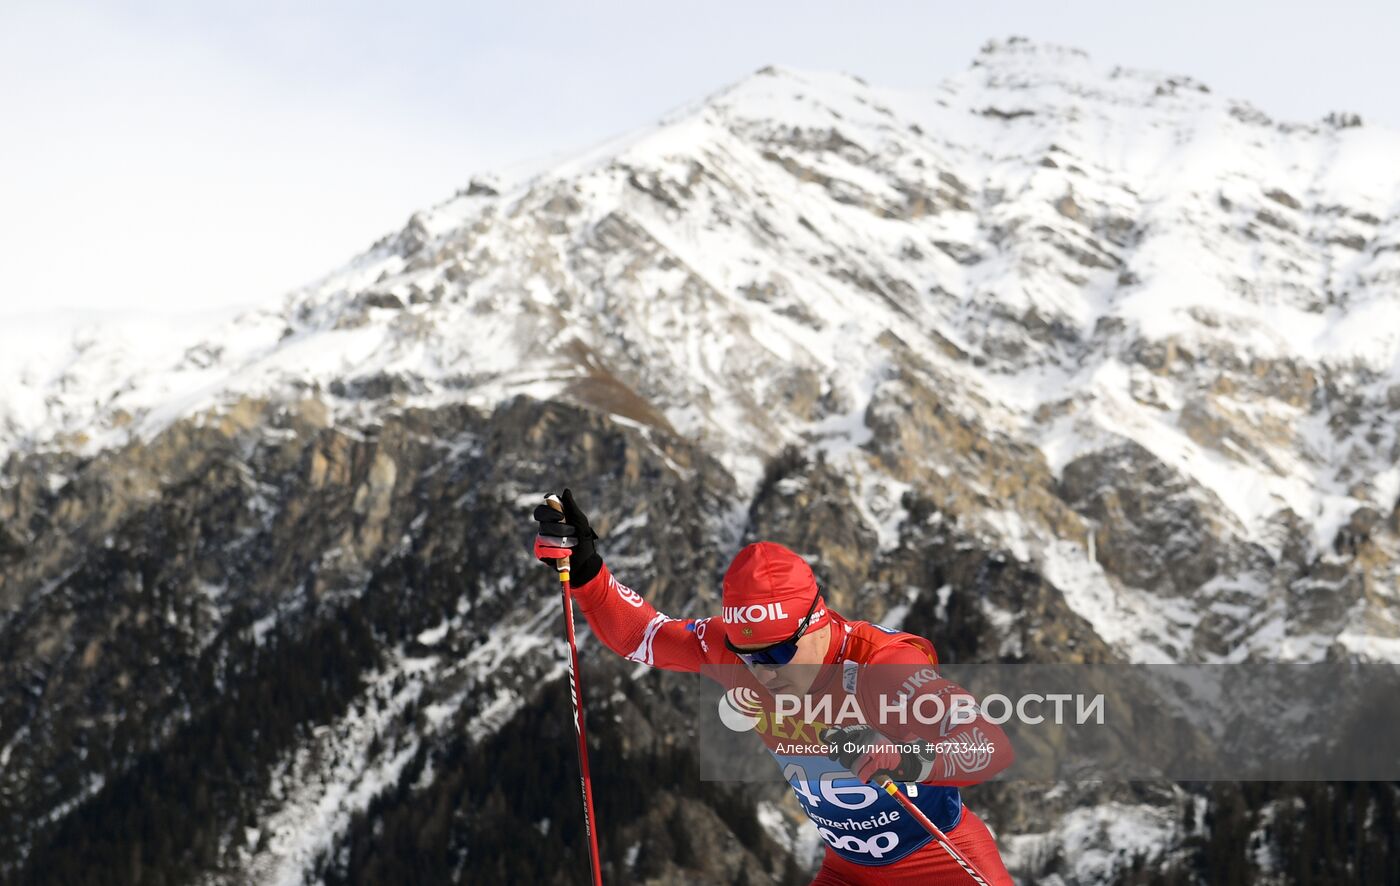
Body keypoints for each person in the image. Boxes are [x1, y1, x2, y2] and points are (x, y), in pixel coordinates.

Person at [534, 489, 1015, 885]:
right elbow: (642, 635)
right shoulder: (738, 655)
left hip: (942, 864)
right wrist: (587, 572)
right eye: (749, 655)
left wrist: (912, 760)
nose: (763, 671)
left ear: (818, 620)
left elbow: (990, 746)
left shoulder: (882, 668)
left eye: (779, 653)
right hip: (849, 872)